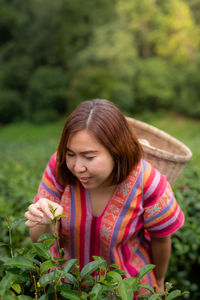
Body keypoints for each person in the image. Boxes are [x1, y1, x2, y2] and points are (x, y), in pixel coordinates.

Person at [24, 99, 184, 297]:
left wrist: (159, 280)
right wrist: (46, 219)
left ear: (117, 151)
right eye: (71, 153)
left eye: (89, 157)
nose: (77, 167)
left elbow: (161, 239)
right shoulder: (59, 167)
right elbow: (40, 241)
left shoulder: (147, 181)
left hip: (125, 290)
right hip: (66, 287)